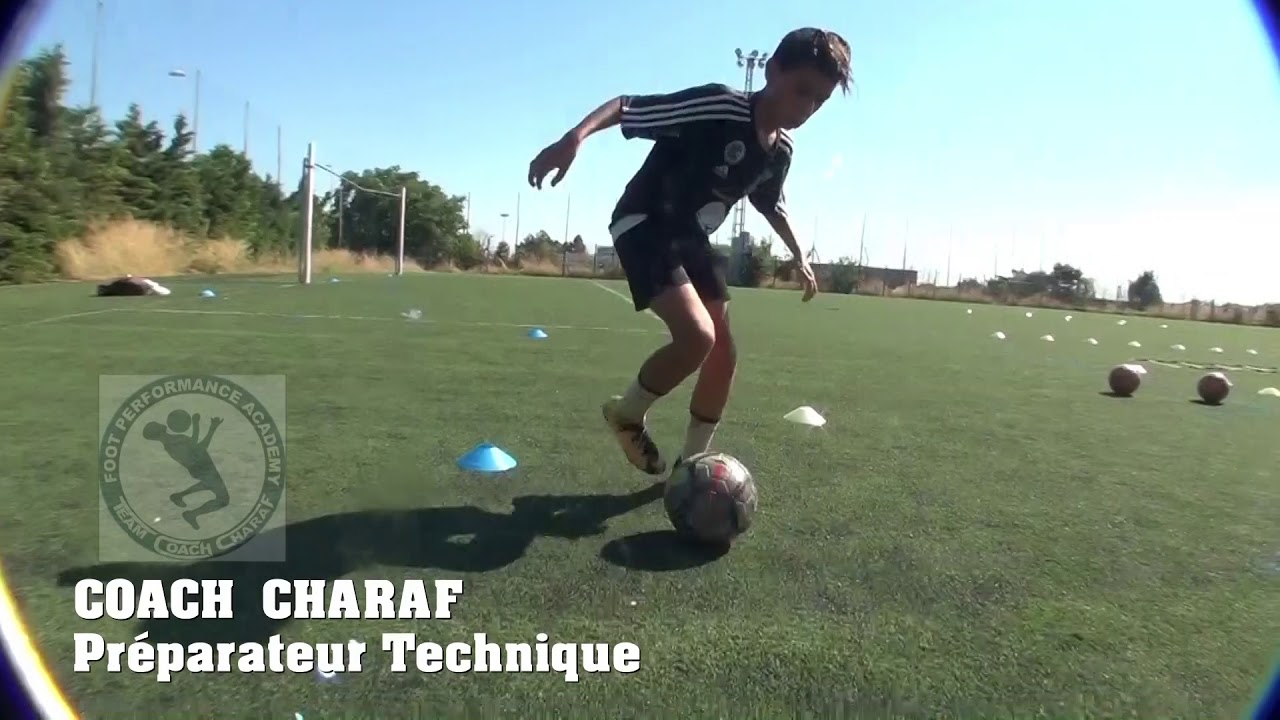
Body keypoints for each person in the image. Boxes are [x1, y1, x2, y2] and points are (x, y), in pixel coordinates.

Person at [527, 27, 852, 478]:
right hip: (644, 222)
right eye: (801, 90)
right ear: (773, 70)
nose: (806, 108)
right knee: (699, 337)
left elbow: (771, 202)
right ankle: (627, 413)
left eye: (819, 101)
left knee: (723, 353)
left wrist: (800, 255)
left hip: (691, 239)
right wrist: (575, 137)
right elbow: (627, 106)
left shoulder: (781, 150)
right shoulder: (719, 106)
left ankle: (692, 466)